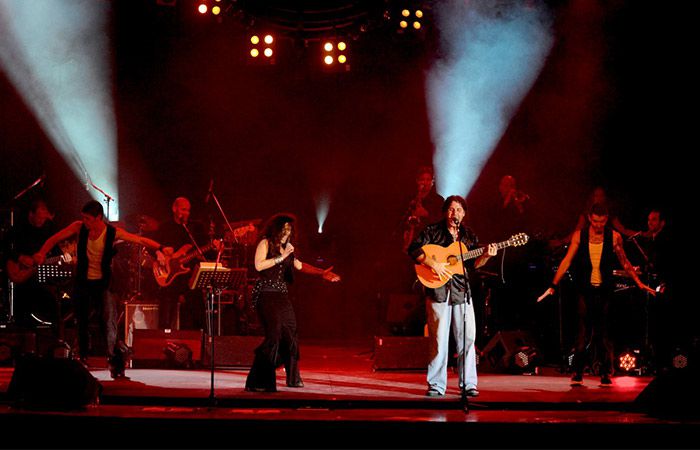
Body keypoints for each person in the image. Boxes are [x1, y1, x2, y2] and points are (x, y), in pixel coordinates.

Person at [33, 200, 165, 378]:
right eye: (83, 217)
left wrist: (160, 248)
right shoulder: (79, 227)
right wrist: (41, 252)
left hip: (103, 283)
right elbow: (54, 238)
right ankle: (82, 358)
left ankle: (114, 361)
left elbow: (139, 239)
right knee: (81, 321)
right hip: (83, 282)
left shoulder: (112, 232)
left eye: (88, 218)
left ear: (98, 218)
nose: (84, 221)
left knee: (108, 322)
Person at [539, 203, 655, 387]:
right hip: (585, 289)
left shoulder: (614, 237)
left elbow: (625, 262)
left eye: (601, 222)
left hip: (604, 290)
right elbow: (567, 260)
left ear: (606, 219)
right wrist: (553, 284)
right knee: (583, 333)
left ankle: (605, 373)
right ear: (590, 219)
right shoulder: (580, 235)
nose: (598, 225)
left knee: (603, 334)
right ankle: (577, 373)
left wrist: (639, 283)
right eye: (595, 222)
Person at [407, 195, 497, 397]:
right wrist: (434, 264)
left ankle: (468, 383)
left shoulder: (468, 235)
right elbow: (413, 249)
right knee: (439, 339)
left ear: (464, 214)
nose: (454, 213)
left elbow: (474, 265)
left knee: (468, 338)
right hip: (438, 290)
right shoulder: (432, 231)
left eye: (458, 210)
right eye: (450, 209)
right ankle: (436, 385)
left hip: (461, 290)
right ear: (444, 212)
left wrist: (486, 255)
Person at [245, 213, 340, 393]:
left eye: (289, 230)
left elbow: (300, 265)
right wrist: (281, 258)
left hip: (281, 296)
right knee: (274, 336)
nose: (286, 233)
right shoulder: (265, 243)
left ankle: (293, 378)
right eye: (284, 229)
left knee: (291, 334)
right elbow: (259, 265)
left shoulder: (287, 249)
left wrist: (321, 273)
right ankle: (258, 381)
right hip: (266, 295)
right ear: (276, 229)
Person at [153, 197, 213, 331]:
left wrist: (214, 246)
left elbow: (206, 248)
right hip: (170, 277)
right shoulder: (165, 227)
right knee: (166, 315)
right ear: (174, 209)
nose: (186, 213)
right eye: (183, 209)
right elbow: (153, 246)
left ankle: (201, 338)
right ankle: (164, 338)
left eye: (188, 210)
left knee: (198, 314)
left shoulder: (195, 228)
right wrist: (158, 253)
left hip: (189, 276)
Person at [3, 199, 62, 327]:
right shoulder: (19, 227)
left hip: (40, 271)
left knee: (51, 290)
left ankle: (51, 323)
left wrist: (61, 257)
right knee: (25, 295)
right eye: (39, 218)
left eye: (44, 218)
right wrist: (20, 257)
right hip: (21, 271)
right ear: (31, 214)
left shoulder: (48, 228)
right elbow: (4, 246)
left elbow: (56, 250)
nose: (42, 221)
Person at [401, 166, 445, 252]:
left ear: (432, 182)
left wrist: (426, 214)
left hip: (429, 241)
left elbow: (441, 223)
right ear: (417, 181)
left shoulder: (439, 200)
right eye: (422, 179)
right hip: (412, 238)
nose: (425, 182)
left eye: (428, 180)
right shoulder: (411, 199)